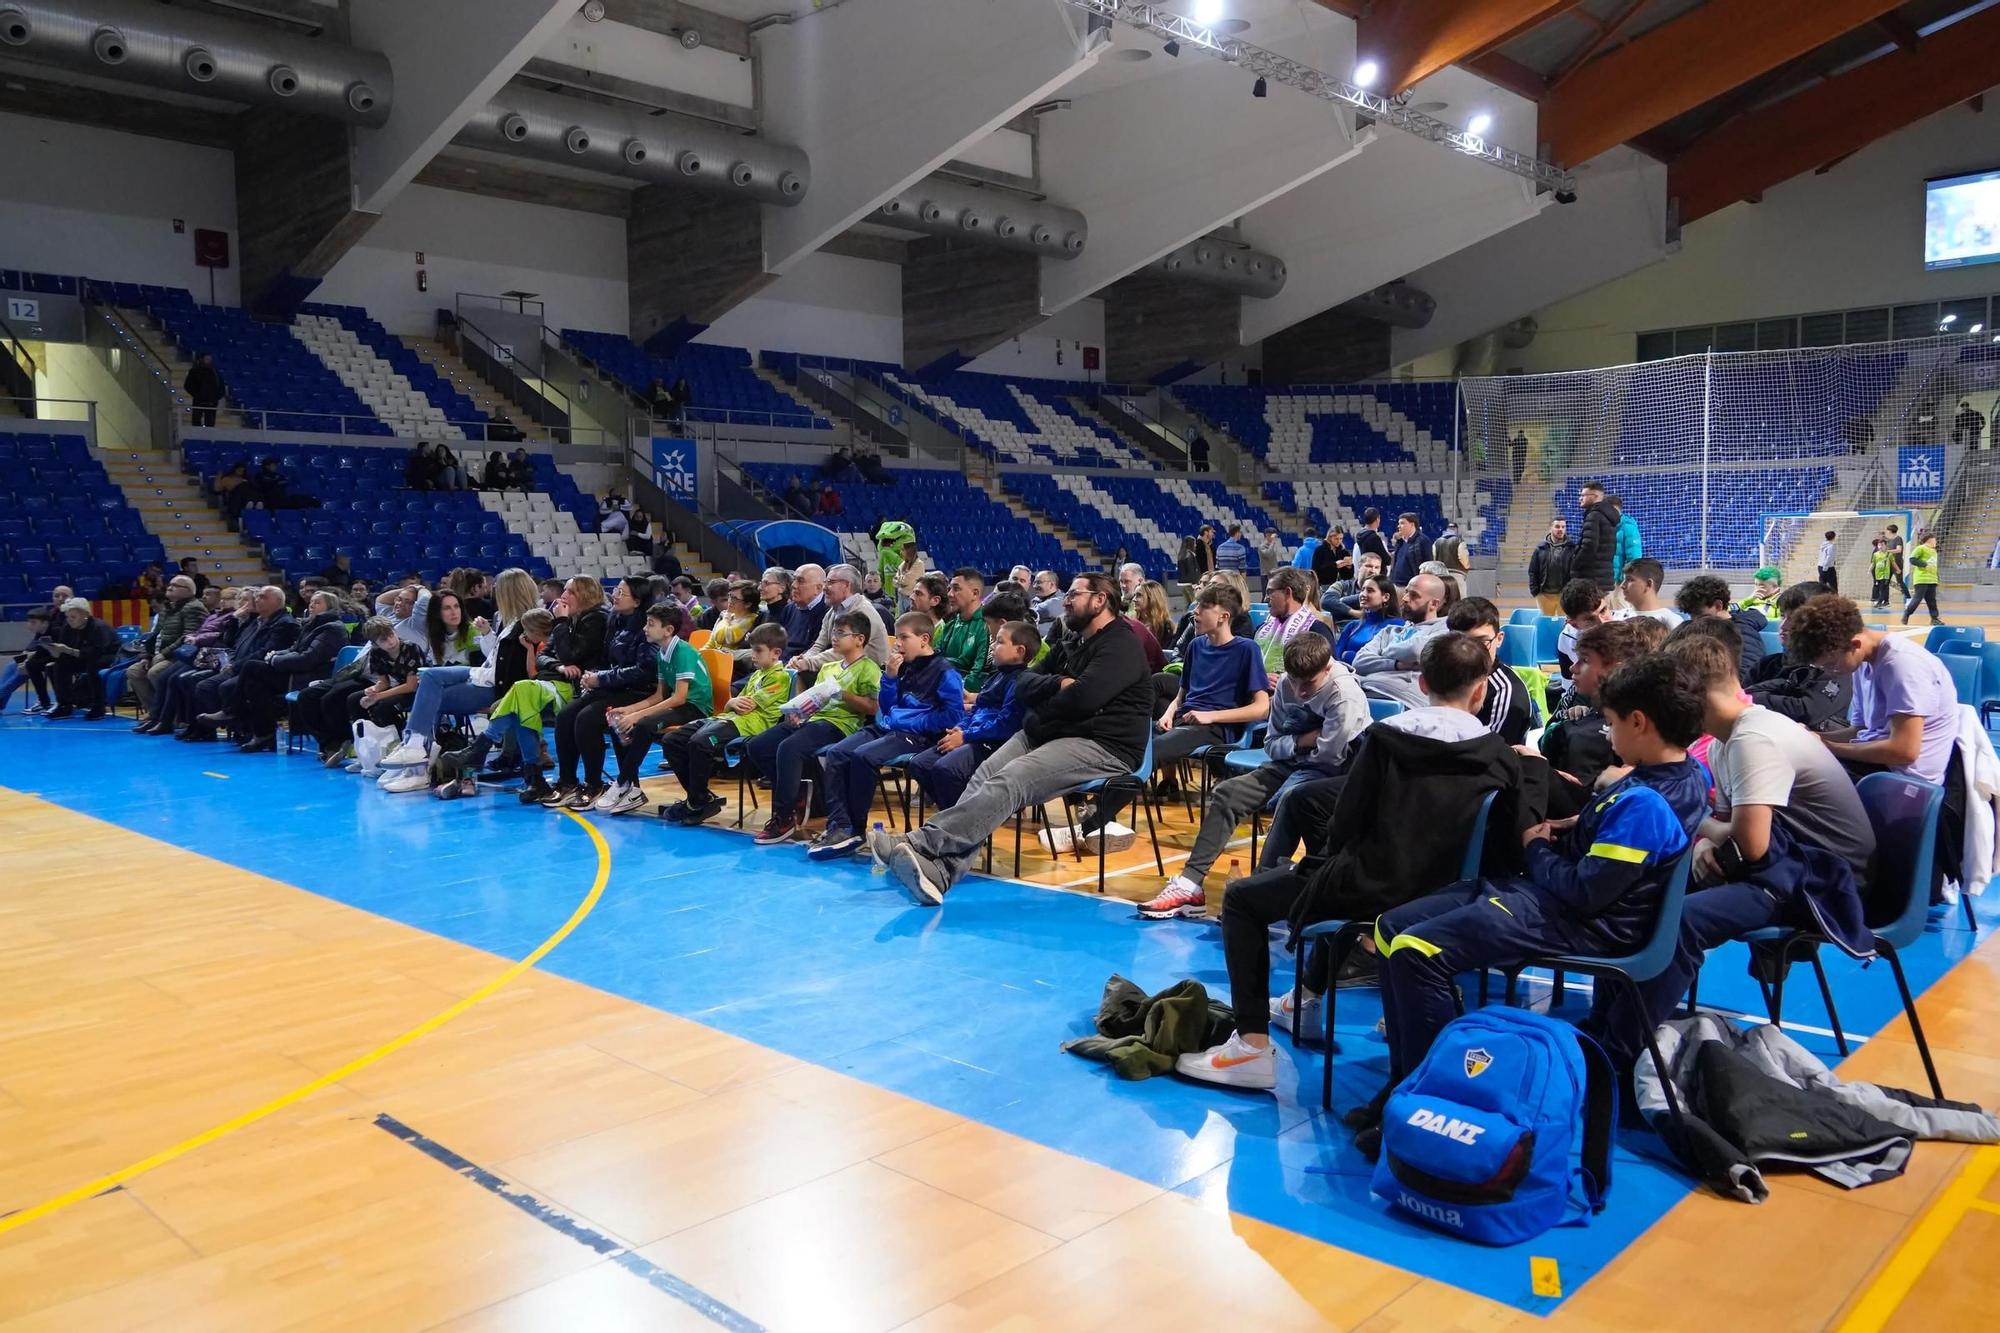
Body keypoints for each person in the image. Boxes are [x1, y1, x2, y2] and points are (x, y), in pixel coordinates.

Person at [1360, 654, 1709, 1130]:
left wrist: (1536, 849)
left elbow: (1587, 893)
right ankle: (1403, 1082)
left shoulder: (1647, 802)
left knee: (1418, 952)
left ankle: (1434, 1102)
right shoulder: (1683, 774)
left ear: (1640, 722)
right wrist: (1577, 825)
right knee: (1391, 927)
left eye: (1610, 723)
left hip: (1581, 921)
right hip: (1552, 902)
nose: (1608, 735)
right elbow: (1618, 849)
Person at [1174, 633, 1523, 1091]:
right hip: (1444, 902)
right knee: (1328, 872)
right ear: (1481, 691)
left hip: (1373, 887)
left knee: (1248, 898)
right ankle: (1307, 1001)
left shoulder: (1385, 740)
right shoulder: (1502, 757)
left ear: (1420, 683)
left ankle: (1253, 1048)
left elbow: (1345, 824)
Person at [1610, 631, 1876, 1067]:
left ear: (1688, 693)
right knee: (1642, 893)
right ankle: (1612, 1028)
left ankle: (1622, 1054)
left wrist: (1704, 831)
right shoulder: (1724, 739)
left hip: (1824, 884)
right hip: (1782, 866)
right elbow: (1730, 835)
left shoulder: (1755, 739)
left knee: (1680, 921)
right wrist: (1705, 846)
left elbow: (1749, 844)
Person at [872, 573, 1154, 905]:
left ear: (1100, 600)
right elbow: (1024, 682)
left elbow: (1082, 699)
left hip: (1103, 744)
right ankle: (941, 874)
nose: (1065, 600)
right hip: (1051, 731)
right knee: (982, 778)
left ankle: (921, 843)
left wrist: (1051, 695)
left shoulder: (1120, 644)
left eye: (1074, 594)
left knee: (1011, 781)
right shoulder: (1071, 638)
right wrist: (1055, 687)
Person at [1135, 634, 1370, 921]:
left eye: (1308, 684)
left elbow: (1330, 756)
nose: (1300, 691)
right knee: (1228, 793)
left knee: (1290, 801)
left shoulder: (1344, 695)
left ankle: (1257, 895)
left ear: (1327, 669)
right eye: (1294, 681)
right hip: (1292, 763)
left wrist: (1293, 745)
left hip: (1337, 774)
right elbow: (1271, 744)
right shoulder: (1287, 685)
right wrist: (1304, 740)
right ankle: (1189, 886)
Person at [1047, 582, 1269, 853]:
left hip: (1216, 728)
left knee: (1150, 752)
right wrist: (1169, 711)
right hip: (1183, 721)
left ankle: (1088, 826)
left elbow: (1261, 708)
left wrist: (1210, 717)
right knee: (1116, 737)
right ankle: (1097, 824)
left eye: (1203, 607)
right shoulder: (1197, 646)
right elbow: (1183, 694)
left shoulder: (1246, 649)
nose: (1195, 613)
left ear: (1223, 616)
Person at [809, 611, 966, 859]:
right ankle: (840, 825)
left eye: (904, 638)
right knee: (837, 753)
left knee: (863, 756)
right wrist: (890, 679)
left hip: (918, 735)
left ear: (924, 639)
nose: (898, 644)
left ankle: (856, 828)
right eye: (897, 639)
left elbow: (953, 716)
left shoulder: (945, 672)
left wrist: (912, 721)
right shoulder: (902, 667)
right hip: (889, 727)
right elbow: (888, 705)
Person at [377, 568, 539, 778]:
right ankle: (415, 745)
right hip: (485, 674)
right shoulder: (505, 620)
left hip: (496, 685)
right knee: (430, 676)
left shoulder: (525, 624)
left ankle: (419, 762)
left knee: (430, 696)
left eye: (498, 590)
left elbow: (513, 670)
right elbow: (495, 658)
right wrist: (488, 635)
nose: (493, 593)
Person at [1788, 595, 1956, 785]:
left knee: (1794, 784)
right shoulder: (1862, 662)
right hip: (1878, 766)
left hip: (1903, 780)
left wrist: (1828, 746)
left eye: (1831, 664)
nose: (1830, 672)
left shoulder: (1903, 665)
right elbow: (1860, 731)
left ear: (1855, 644)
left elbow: (1904, 751)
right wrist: (1812, 737)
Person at [749, 610, 882, 844]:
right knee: (758, 745)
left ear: (860, 639)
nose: (835, 636)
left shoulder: (869, 668)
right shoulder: (828, 668)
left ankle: (784, 817)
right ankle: (800, 791)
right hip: (814, 719)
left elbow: (873, 708)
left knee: (789, 748)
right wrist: (800, 713)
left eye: (841, 633)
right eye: (834, 631)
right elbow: (816, 699)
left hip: (839, 724)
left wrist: (845, 695)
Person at [1532, 617, 1669, 819]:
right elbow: (1548, 736)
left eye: (1585, 660)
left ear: (1617, 669)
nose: (1573, 668)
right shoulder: (1578, 697)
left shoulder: (1643, 719)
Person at [656, 623, 793, 826]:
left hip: (749, 725)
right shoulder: (757, 675)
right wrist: (730, 703)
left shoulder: (781, 677)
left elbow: (746, 706)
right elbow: (733, 704)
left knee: (700, 742)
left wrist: (732, 703)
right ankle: (699, 798)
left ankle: (696, 802)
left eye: (758, 651)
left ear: (776, 653)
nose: (753, 655)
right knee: (672, 740)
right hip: (728, 719)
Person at [590, 602, 716, 814]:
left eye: (650, 624)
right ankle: (630, 785)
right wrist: (628, 710)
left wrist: (638, 716)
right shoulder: (661, 653)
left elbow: (679, 698)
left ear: (668, 630)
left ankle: (623, 783)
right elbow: (659, 696)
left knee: (644, 724)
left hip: (695, 707)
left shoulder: (683, 652)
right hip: (678, 705)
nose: (645, 628)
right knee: (621, 722)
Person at [540, 578, 650, 809]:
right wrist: (594, 675)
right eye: (616, 590)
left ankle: (594, 784)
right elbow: (605, 659)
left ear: (638, 601)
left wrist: (601, 678)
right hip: (614, 686)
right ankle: (568, 781)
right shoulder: (614, 619)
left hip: (639, 692)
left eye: (622, 592)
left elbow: (643, 671)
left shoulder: (646, 626)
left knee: (587, 718)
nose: (615, 595)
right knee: (566, 715)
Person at [909, 620, 1036, 813]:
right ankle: (955, 818)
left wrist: (966, 736)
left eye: (1000, 642)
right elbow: (977, 708)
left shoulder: (1021, 681)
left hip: (994, 743)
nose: (992, 646)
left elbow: (1005, 724)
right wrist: (961, 728)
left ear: (1019, 651)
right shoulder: (996, 675)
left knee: (946, 769)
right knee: (919, 764)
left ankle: (966, 826)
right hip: (972, 735)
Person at [229, 589, 347, 751]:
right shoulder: (311, 624)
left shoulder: (331, 629)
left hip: (312, 676)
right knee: (253, 684)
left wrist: (276, 660)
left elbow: (308, 658)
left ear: (330, 607)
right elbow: (294, 649)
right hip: (297, 672)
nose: (311, 605)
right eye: (311, 602)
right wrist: (276, 654)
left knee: (252, 667)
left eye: (317, 602)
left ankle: (234, 710)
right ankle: (263, 734)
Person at [303, 615, 426, 765]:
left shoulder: (411, 648)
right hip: (398, 688)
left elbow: (411, 686)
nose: (391, 642)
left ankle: (400, 746)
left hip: (418, 690)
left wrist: (378, 696)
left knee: (383, 707)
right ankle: (368, 750)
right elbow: (383, 682)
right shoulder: (376, 653)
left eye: (391, 635)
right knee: (355, 700)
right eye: (383, 640)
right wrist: (373, 690)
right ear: (375, 643)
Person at [1746, 583, 1852, 734]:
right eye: (1782, 615)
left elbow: (1808, 711)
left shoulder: (1835, 667)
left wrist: (1753, 698)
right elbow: (1737, 702)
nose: (1784, 625)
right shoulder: (1766, 664)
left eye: (1795, 618)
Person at [1350, 572, 1450, 707]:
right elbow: (1359, 661)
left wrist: (1383, 653)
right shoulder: (1390, 631)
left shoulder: (1445, 631)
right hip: (1363, 689)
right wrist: (1398, 664)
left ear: (1433, 604)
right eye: (1406, 592)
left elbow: (1416, 650)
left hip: (1399, 697)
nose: (1405, 598)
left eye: (1414, 595)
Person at [1446, 596, 1530, 745]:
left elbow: (1491, 754)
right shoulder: (1445, 674)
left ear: (1499, 639)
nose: (1469, 650)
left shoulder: (1506, 692)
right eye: (1460, 641)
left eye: (1481, 641)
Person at [125, 575, 203, 726]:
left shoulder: (194, 607)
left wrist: (164, 654)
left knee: (156, 672)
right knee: (133, 671)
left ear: (189, 591)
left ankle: (173, 716)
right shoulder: (166, 609)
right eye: (170, 584)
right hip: (160, 655)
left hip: (180, 656)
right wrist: (146, 656)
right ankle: (155, 712)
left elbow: (189, 637)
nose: (170, 587)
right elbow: (154, 636)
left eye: (175, 585)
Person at [1675, 574, 1766, 684]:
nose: (1695, 620)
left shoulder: (1743, 632)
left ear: (1718, 606)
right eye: (1691, 615)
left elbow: (1747, 676)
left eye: (1699, 614)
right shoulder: (1693, 630)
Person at [43, 598, 121, 720]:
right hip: (82, 656)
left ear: (85, 615)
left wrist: (68, 650)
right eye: (67, 617)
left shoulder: (98, 627)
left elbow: (94, 653)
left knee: (92, 666)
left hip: (108, 657)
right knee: (58, 665)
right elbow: (66, 650)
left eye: (73, 617)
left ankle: (98, 706)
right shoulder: (67, 627)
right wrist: (55, 650)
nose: (69, 620)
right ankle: (64, 704)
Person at [1253, 568, 1320, 683]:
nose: (1265, 598)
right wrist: (1261, 678)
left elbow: (1324, 676)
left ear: (1287, 592)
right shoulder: (1261, 628)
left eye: (1270, 592)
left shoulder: (1316, 629)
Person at [933, 567, 990, 687]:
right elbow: (937, 658)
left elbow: (978, 672)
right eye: (949, 589)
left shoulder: (986, 626)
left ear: (975, 593)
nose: (949, 594)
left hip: (966, 693)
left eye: (956, 589)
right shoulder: (951, 624)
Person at [1332, 573, 1401, 666]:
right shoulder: (1352, 626)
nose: (1363, 594)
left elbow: (1387, 662)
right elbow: (1336, 657)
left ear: (1386, 597)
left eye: (1370, 590)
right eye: (1362, 590)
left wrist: (1350, 656)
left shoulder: (1397, 626)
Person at [1571, 481, 1620, 590]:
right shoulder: (1607, 516)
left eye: (1583, 495)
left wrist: (1574, 564)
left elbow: (1588, 546)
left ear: (1594, 496)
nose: (1580, 498)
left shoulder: (1594, 516)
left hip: (1591, 579)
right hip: (1603, 577)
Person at [781, 563, 829, 661]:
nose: (793, 585)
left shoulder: (827, 612)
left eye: (800, 581)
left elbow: (818, 650)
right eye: (794, 579)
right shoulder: (789, 609)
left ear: (818, 588)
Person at [1527, 518, 1575, 617]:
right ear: (1550, 528)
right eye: (1557, 526)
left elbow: (1576, 571)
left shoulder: (1572, 548)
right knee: (1546, 625)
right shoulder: (1540, 549)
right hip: (1544, 595)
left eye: (1563, 527)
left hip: (1564, 595)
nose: (1560, 529)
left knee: (1563, 624)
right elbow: (1532, 571)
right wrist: (1535, 591)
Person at [1620, 557, 1685, 628]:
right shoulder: (1617, 616)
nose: (1622, 585)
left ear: (1648, 584)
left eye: (1629, 580)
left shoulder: (1672, 622)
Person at [1902, 526, 1941, 626]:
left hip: (1932, 579)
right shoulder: (1921, 548)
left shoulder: (1934, 551)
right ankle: (1907, 613)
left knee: (1932, 600)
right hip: (1922, 579)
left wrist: (1937, 578)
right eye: (1934, 539)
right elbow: (1912, 559)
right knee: (1918, 598)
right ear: (1929, 540)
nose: (1936, 541)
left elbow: (1934, 566)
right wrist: (1924, 564)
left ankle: (1934, 618)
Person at [1387, 512, 1431, 586]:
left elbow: (1428, 565)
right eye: (1398, 523)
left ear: (1412, 524)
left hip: (1411, 586)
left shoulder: (1423, 541)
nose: (1398, 526)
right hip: (1395, 585)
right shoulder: (1400, 542)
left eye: (1402, 523)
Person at [184, 352, 225, 428]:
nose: (209, 361)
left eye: (210, 359)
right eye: (207, 359)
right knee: (196, 422)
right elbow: (188, 385)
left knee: (210, 424)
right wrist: (197, 395)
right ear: (201, 360)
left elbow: (221, 386)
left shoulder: (215, 372)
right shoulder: (194, 371)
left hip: (211, 402)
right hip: (199, 401)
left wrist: (216, 397)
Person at [1612, 495, 1642, 585]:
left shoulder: (1628, 527)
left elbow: (1634, 556)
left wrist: (1625, 577)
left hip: (1620, 582)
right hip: (1606, 579)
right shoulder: (1607, 526)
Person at [1884, 522, 1908, 599]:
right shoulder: (1889, 540)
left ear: (1890, 531)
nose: (1886, 532)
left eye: (1887, 530)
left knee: (1899, 581)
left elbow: (1899, 550)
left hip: (1897, 563)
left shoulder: (1898, 539)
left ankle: (1908, 597)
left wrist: (1887, 551)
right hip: (1889, 563)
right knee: (1885, 581)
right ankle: (1885, 600)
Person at [1869, 538, 1892, 610]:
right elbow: (1873, 563)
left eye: (1882, 545)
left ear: (1886, 545)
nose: (1880, 546)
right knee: (1879, 589)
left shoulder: (1889, 554)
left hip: (1885, 575)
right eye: (1879, 545)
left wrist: (1897, 569)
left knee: (1883, 589)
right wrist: (1869, 570)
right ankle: (1881, 601)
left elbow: (1893, 563)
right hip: (1878, 575)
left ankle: (1880, 602)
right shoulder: (1875, 554)